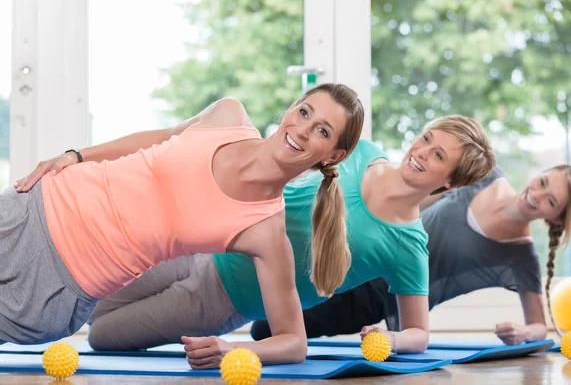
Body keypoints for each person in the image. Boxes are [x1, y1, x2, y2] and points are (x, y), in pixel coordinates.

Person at [85, 114, 495, 367]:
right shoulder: (360, 151)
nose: (421, 152)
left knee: (101, 336)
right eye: (427, 139)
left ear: (450, 182)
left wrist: (393, 338)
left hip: (223, 300)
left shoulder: (408, 244)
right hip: (204, 243)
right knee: (87, 299)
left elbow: (419, 332)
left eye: (439, 156)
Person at [9, 83, 364, 368]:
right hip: (33, 208)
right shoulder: (228, 115)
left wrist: (232, 349)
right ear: (291, 108)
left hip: (62, 285)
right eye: (304, 112)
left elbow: (293, 342)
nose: (302, 130)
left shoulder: (266, 232)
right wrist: (76, 155)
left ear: (333, 155)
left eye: (322, 130)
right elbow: (157, 138)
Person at [250, 165, 571, 346]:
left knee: (263, 330)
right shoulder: (486, 174)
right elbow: (413, 198)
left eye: (551, 201)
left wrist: (522, 334)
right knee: (257, 292)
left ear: (556, 218)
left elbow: (538, 326)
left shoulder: (520, 257)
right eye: (545, 181)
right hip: (358, 252)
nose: (537, 194)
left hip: (377, 298)